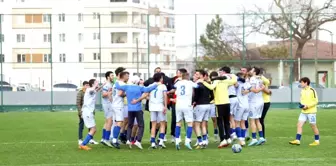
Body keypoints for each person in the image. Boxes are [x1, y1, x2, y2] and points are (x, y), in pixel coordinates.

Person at [115, 75, 158, 149]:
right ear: (137, 81)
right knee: (141, 125)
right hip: (138, 109)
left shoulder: (127, 87)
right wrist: (156, 84)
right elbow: (148, 89)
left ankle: (128, 139)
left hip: (130, 109)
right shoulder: (140, 88)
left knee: (129, 125)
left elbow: (118, 86)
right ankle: (138, 140)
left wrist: (117, 80)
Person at [200, 67, 237, 148]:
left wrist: (203, 82)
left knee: (220, 123)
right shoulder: (225, 81)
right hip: (227, 103)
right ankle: (228, 138)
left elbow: (211, 87)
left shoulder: (216, 81)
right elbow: (234, 80)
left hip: (219, 104)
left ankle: (223, 140)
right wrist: (231, 75)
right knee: (226, 122)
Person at [289, 77, 320, 146]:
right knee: (299, 125)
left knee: (313, 126)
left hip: (311, 112)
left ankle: (317, 141)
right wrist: (301, 105)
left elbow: (316, 101)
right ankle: (297, 140)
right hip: (303, 112)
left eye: (302, 82)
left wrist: (307, 106)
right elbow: (302, 100)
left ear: (306, 83)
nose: (301, 84)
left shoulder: (312, 90)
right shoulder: (302, 90)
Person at [174, 71, 199, 150]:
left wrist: (179, 80)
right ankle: (187, 141)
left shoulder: (178, 83)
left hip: (178, 105)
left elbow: (174, 86)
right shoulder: (190, 83)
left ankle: (177, 140)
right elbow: (197, 86)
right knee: (190, 123)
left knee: (178, 122)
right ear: (188, 77)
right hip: (187, 105)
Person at [79, 79, 104, 150]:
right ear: (93, 84)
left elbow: (96, 90)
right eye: (96, 82)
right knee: (93, 129)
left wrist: (103, 85)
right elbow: (92, 90)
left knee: (93, 129)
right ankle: (83, 144)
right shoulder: (89, 89)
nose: (98, 83)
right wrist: (96, 85)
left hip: (88, 112)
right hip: (87, 112)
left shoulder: (92, 90)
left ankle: (83, 144)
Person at [193, 69, 211, 149]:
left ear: (201, 76)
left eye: (197, 74)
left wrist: (193, 102)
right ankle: (204, 141)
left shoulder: (198, 85)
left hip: (200, 105)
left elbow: (195, 96)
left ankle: (200, 142)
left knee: (197, 124)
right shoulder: (207, 84)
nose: (196, 76)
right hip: (207, 105)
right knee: (203, 124)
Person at [148, 73, 168, 149]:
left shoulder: (150, 85)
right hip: (160, 106)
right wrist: (165, 106)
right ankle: (161, 142)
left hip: (152, 107)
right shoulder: (162, 86)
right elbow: (165, 96)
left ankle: (153, 142)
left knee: (153, 124)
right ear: (160, 78)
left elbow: (147, 95)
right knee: (162, 124)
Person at [248, 67, 266, 146]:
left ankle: (254, 138)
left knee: (252, 120)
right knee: (257, 120)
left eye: (251, 70)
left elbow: (254, 90)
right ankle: (261, 137)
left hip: (254, 102)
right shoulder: (260, 79)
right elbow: (263, 87)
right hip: (261, 101)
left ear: (254, 72)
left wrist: (248, 89)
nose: (250, 71)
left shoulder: (252, 79)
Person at [219, 67, 238, 140]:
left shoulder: (224, 77)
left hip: (229, 98)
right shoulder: (233, 76)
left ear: (224, 71)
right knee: (231, 116)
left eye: (220, 72)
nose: (220, 73)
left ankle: (233, 133)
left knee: (228, 117)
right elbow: (236, 85)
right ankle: (234, 133)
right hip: (235, 97)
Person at [111, 70, 129, 149]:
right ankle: (114, 140)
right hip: (118, 105)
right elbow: (120, 94)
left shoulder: (116, 83)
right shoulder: (122, 84)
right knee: (119, 122)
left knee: (116, 122)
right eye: (127, 76)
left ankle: (114, 138)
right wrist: (126, 94)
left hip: (114, 104)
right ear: (124, 76)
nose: (128, 77)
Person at [170, 68, 187, 143]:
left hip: (177, 102)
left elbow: (174, 90)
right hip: (183, 102)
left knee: (177, 119)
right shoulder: (189, 82)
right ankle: (182, 136)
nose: (177, 74)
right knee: (182, 119)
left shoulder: (178, 81)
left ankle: (176, 136)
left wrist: (167, 92)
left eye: (178, 73)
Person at [235, 72, 250, 146]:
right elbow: (250, 89)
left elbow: (235, 84)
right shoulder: (247, 83)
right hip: (247, 105)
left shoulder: (238, 83)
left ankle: (240, 139)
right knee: (243, 122)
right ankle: (243, 139)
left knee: (237, 123)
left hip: (240, 105)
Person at [100, 71, 114, 147]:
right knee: (110, 121)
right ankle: (106, 139)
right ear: (108, 77)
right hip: (107, 104)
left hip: (107, 104)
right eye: (112, 75)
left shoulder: (109, 84)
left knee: (107, 121)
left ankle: (103, 138)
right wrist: (110, 93)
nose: (113, 77)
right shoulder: (107, 84)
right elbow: (103, 95)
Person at [207, 72, 219, 142]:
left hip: (213, 103)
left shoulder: (217, 83)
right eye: (212, 77)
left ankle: (216, 134)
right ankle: (206, 134)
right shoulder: (208, 83)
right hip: (206, 103)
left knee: (214, 119)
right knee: (205, 120)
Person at [260, 73, 271, 140]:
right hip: (258, 102)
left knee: (260, 120)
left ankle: (262, 137)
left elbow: (267, 82)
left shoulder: (262, 81)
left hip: (264, 102)